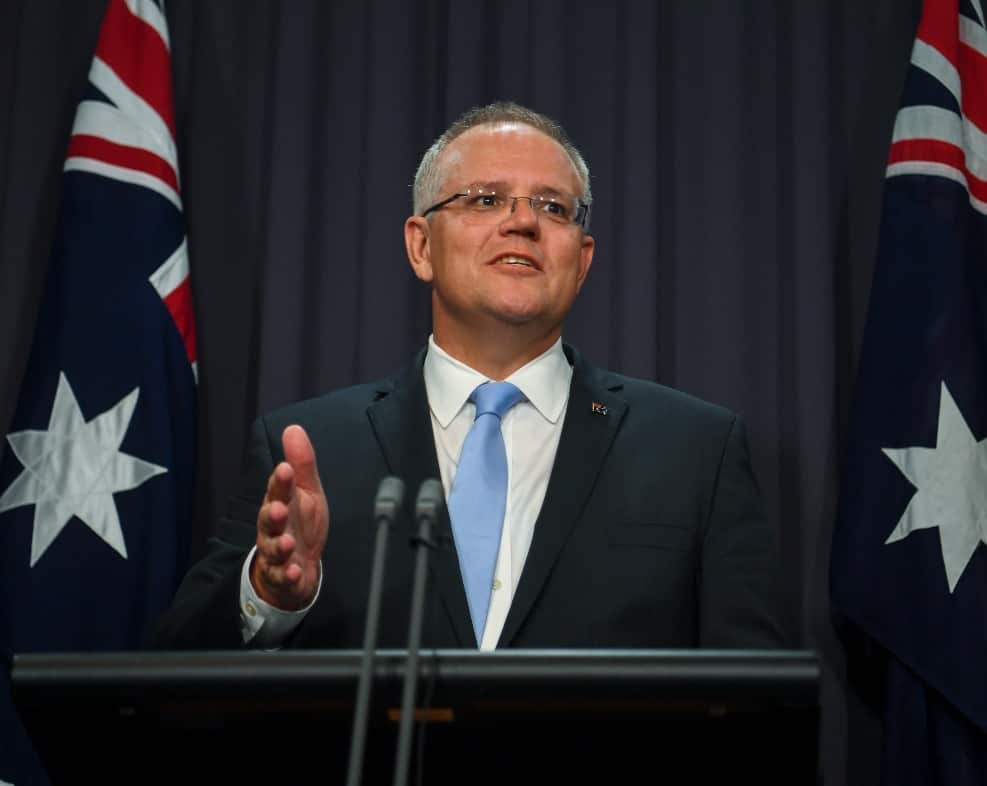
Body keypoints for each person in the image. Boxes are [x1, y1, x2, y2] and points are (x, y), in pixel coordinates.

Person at [153, 102, 788, 651]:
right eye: (486, 199)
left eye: (554, 207)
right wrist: (270, 594)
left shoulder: (696, 451)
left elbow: (760, 704)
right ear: (420, 246)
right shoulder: (307, 450)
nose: (523, 222)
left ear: (582, 260)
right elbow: (180, 664)